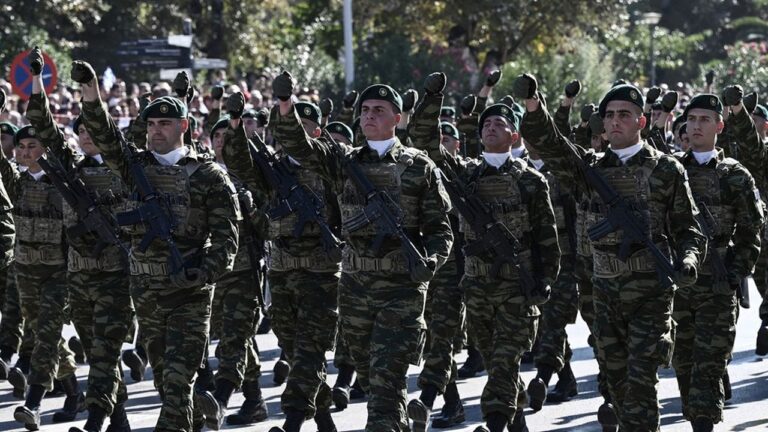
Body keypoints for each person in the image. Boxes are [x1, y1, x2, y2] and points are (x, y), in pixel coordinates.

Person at [516, 73, 705, 432]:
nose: (615, 121)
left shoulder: (666, 170)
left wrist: (689, 261)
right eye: (610, 115)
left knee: (640, 380)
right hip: (604, 291)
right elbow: (551, 144)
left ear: (641, 121)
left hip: (650, 290)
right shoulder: (589, 170)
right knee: (615, 379)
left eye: (624, 114)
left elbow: (688, 230)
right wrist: (532, 106)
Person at [271, 70, 453, 432]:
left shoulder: (419, 168)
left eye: (379, 110)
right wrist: (286, 105)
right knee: (372, 378)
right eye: (366, 109)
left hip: (400, 288)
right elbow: (299, 146)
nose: (369, 115)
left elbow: (439, 229)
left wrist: (432, 260)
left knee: (386, 380)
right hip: (355, 289)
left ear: (397, 119)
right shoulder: (344, 163)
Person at [72, 59, 241, 432]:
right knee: (167, 382)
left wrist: (203, 273)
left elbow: (228, 238)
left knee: (179, 384)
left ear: (183, 126)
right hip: (146, 292)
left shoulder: (209, 176)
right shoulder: (135, 169)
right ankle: (199, 418)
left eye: (164, 123)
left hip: (190, 293)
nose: (156, 131)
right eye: (150, 124)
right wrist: (91, 92)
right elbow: (107, 136)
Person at [672, 90, 763, 432]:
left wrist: (736, 272)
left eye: (704, 120)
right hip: (679, 285)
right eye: (692, 119)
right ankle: (697, 415)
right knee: (683, 363)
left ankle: (704, 423)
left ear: (719, 126)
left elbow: (752, 229)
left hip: (718, 284)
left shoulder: (735, 175)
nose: (696, 126)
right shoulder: (669, 171)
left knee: (708, 366)